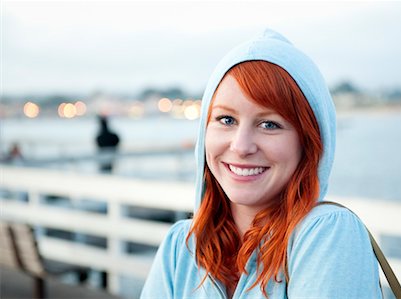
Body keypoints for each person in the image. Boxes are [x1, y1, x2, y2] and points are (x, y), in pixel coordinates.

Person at [140, 29, 382, 298]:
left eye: (269, 124)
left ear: (308, 143)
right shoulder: (181, 248)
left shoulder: (326, 234)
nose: (241, 147)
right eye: (226, 120)